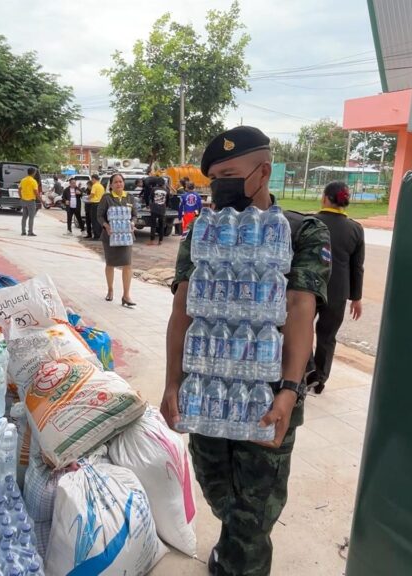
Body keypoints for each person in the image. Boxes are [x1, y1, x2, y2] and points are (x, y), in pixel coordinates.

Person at [161, 126, 332, 576]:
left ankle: (238, 563)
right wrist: (172, 384)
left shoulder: (301, 232)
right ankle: (229, 550)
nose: (220, 185)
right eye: (214, 176)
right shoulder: (202, 232)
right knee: (218, 490)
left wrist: (290, 390)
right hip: (207, 386)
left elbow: (300, 308)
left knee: (254, 513)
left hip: (269, 392)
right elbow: (183, 310)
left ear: (263, 172)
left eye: (230, 174)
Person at [307, 181, 364, 395]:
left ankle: (308, 369)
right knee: (327, 335)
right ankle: (320, 380)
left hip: (310, 287)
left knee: (302, 329)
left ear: (324, 198)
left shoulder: (311, 222)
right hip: (338, 291)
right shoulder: (355, 229)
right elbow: (357, 266)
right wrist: (356, 298)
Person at [96, 172, 138, 307]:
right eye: (116, 182)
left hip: (126, 237)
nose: (119, 184)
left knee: (127, 264)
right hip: (110, 236)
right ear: (111, 185)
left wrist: (133, 223)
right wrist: (106, 226)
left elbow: (135, 215)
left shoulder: (130, 198)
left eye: (121, 181)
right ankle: (110, 289)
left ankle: (126, 295)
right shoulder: (106, 198)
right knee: (110, 264)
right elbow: (99, 216)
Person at [147, 177, 169, 245]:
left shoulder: (154, 189)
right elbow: (167, 201)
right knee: (161, 226)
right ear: (163, 183)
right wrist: (166, 206)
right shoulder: (166, 190)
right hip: (162, 209)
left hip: (154, 209)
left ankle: (152, 240)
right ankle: (160, 241)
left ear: (157, 183)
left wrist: (150, 205)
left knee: (153, 225)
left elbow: (151, 198)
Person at [19, 167, 40, 236]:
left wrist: (21, 197)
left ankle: (23, 231)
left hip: (24, 200)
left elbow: (19, 190)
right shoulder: (33, 181)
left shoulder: (23, 180)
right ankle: (30, 232)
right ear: (33, 173)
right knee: (31, 217)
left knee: (24, 216)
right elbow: (36, 192)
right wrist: (40, 199)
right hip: (31, 201)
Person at [87, 173, 105, 240]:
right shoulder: (101, 186)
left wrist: (87, 198)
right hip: (100, 204)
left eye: (92, 179)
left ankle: (96, 236)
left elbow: (92, 194)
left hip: (95, 204)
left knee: (94, 220)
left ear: (94, 179)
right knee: (99, 219)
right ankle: (100, 235)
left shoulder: (95, 186)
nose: (91, 181)